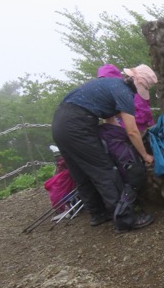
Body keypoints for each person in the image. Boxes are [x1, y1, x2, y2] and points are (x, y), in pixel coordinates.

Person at [51, 66, 158, 232]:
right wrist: (145, 155)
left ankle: (98, 214)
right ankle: (125, 219)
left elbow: (111, 122)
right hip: (78, 125)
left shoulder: (110, 84)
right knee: (106, 171)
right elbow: (132, 130)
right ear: (137, 83)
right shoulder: (123, 92)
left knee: (81, 172)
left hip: (59, 123)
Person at [97, 64, 155, 132]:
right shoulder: (115, 93)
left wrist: (119, 114)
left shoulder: (131, 93)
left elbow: (142, 117)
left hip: (135, 129)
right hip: (125, 129)